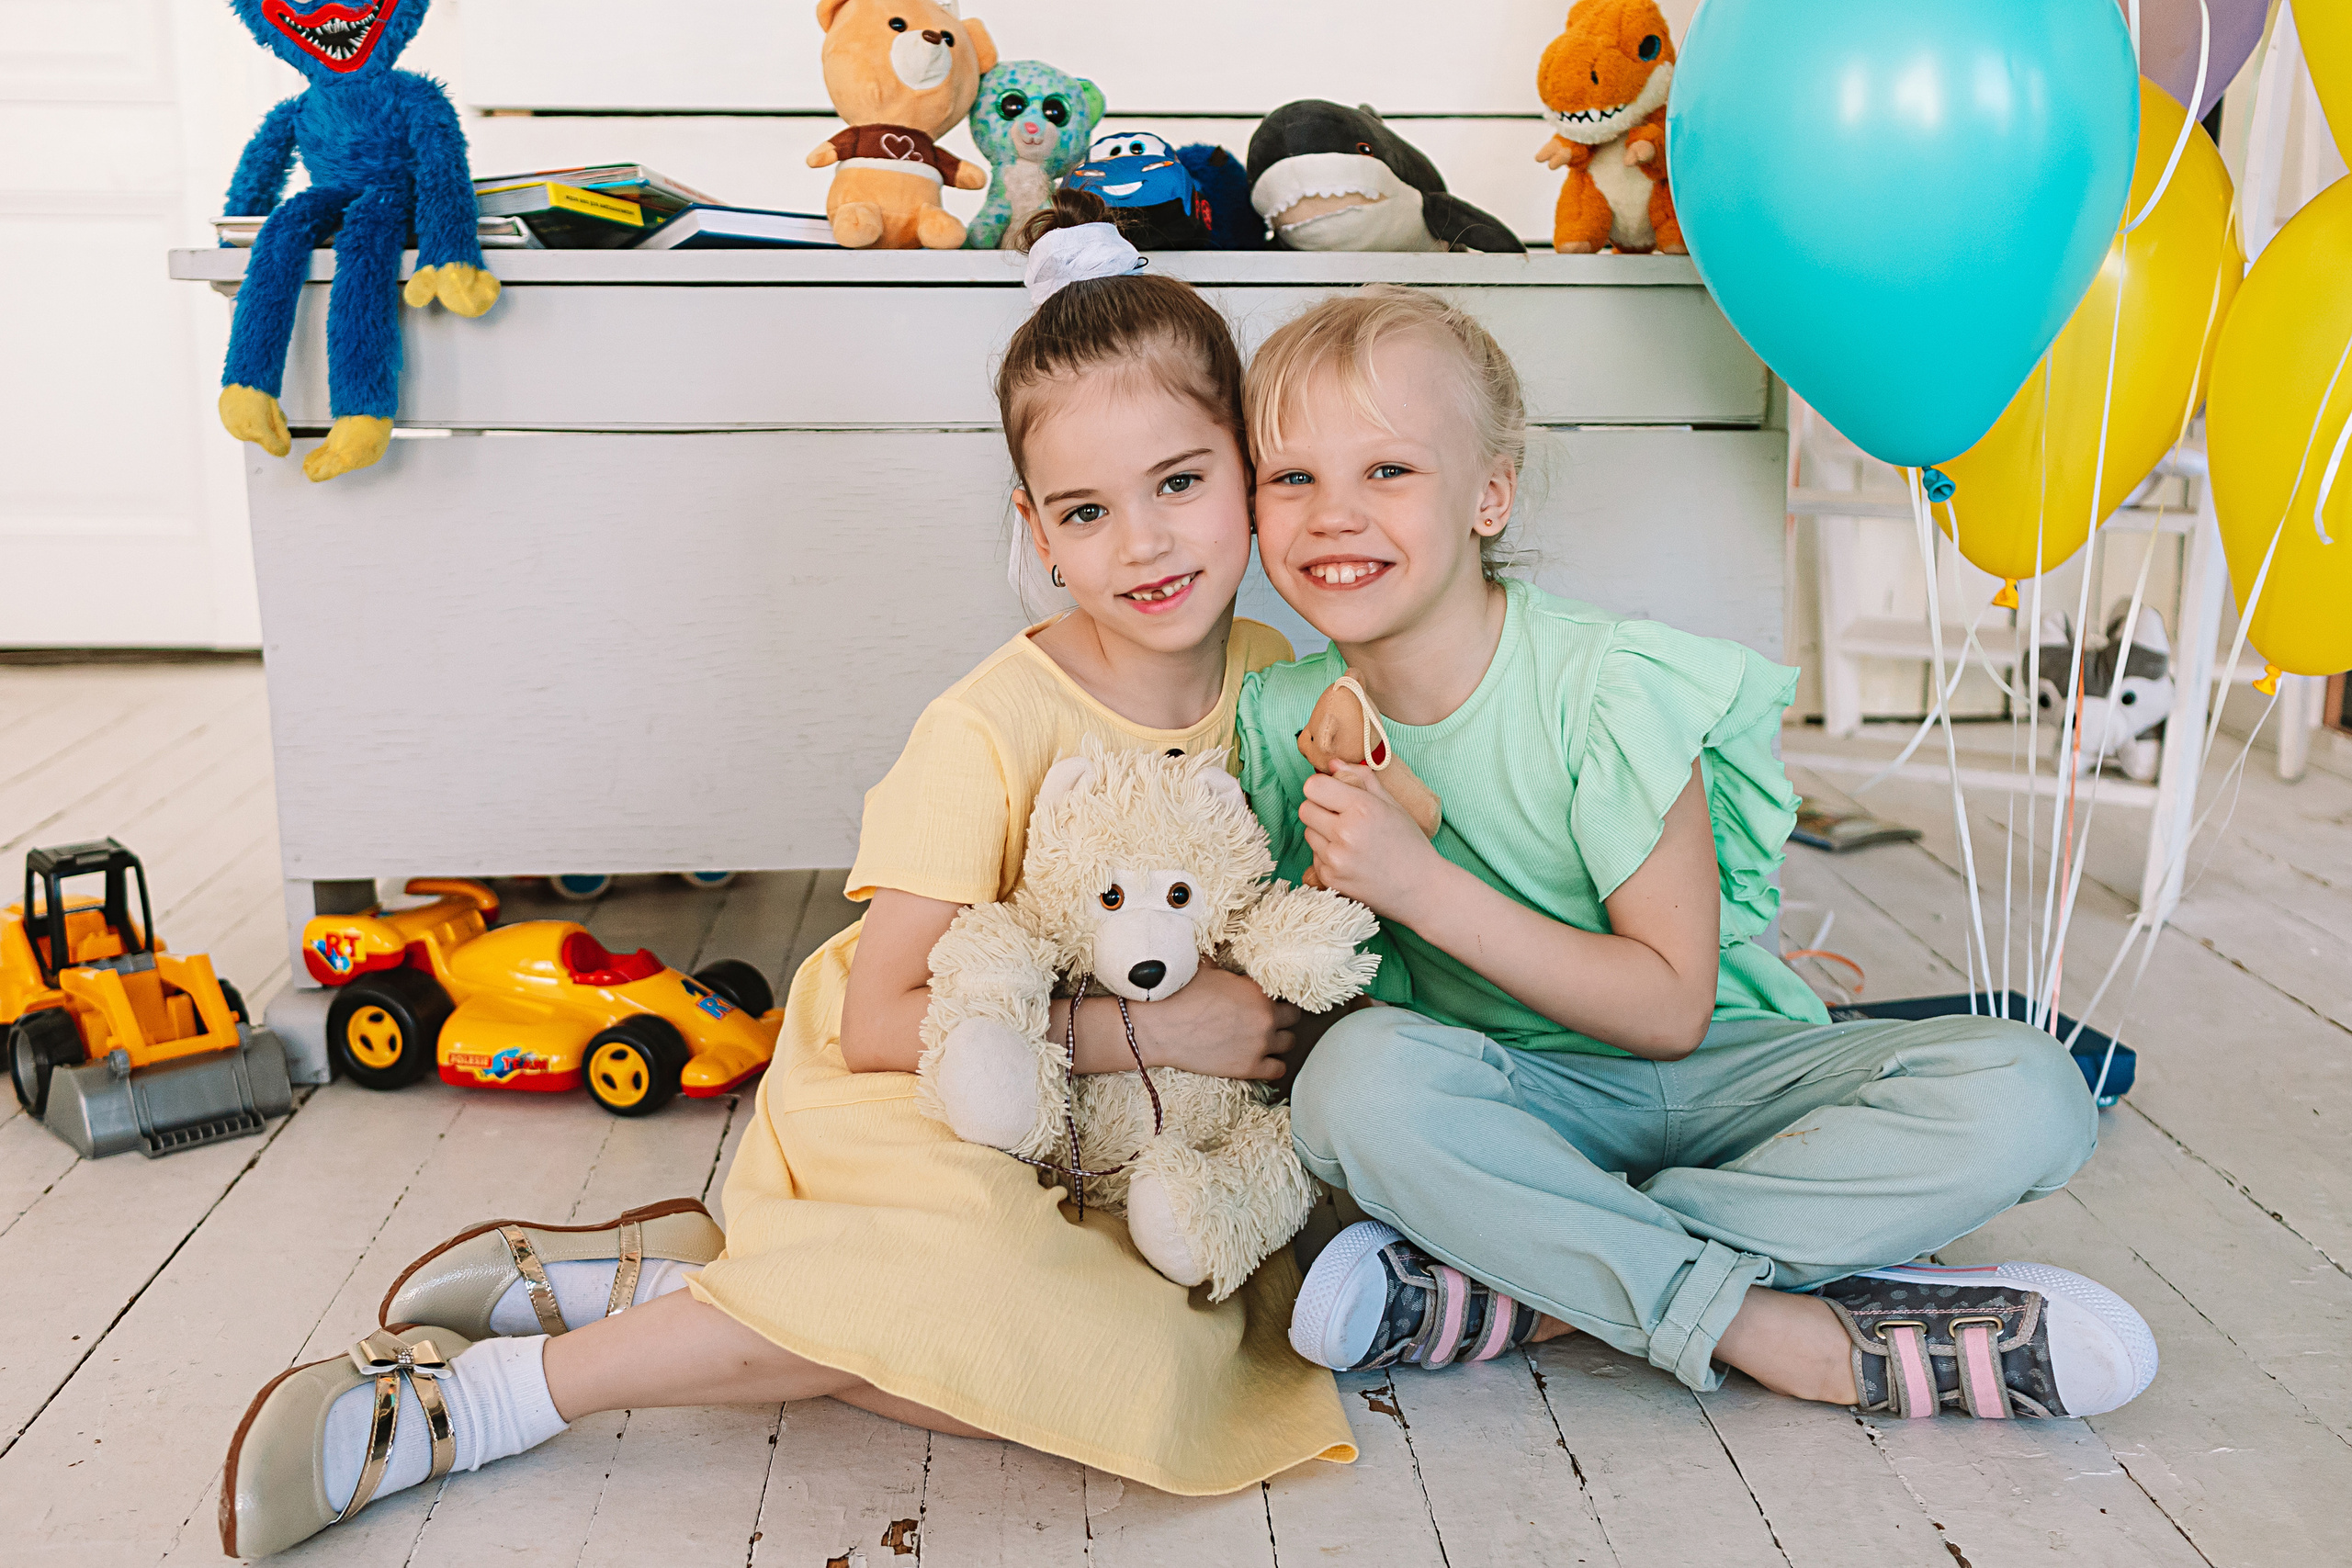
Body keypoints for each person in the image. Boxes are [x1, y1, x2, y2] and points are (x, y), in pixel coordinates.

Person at [219, 193, 1355, 1561]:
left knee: (1123, 1369)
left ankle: (691, 1275)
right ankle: (490, 1396)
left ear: (1250, 470)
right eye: (1087, 509)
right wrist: (1167, 1028)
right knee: (982, 1313)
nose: (1148, 542)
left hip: (1119, 1143)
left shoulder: (1286, 691)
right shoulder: (990, 722)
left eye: (1182, 481)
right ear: (1036, 529)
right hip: (927, 1086)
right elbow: (888, 1019)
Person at [1234, 286, 2159, 1423]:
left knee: (2031, 1090)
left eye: (1387, 472)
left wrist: (1420, 885)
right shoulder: (1278, 720)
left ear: (1489, 493)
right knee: (1355, 1087)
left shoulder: (1605, 687)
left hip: (1725, 1073)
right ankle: (1773, 1328)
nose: (1333, 514)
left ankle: (1543, 1280)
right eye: (1291, 478)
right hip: (1516, 1098)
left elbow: (1670, 1008)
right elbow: (1311, 1004)